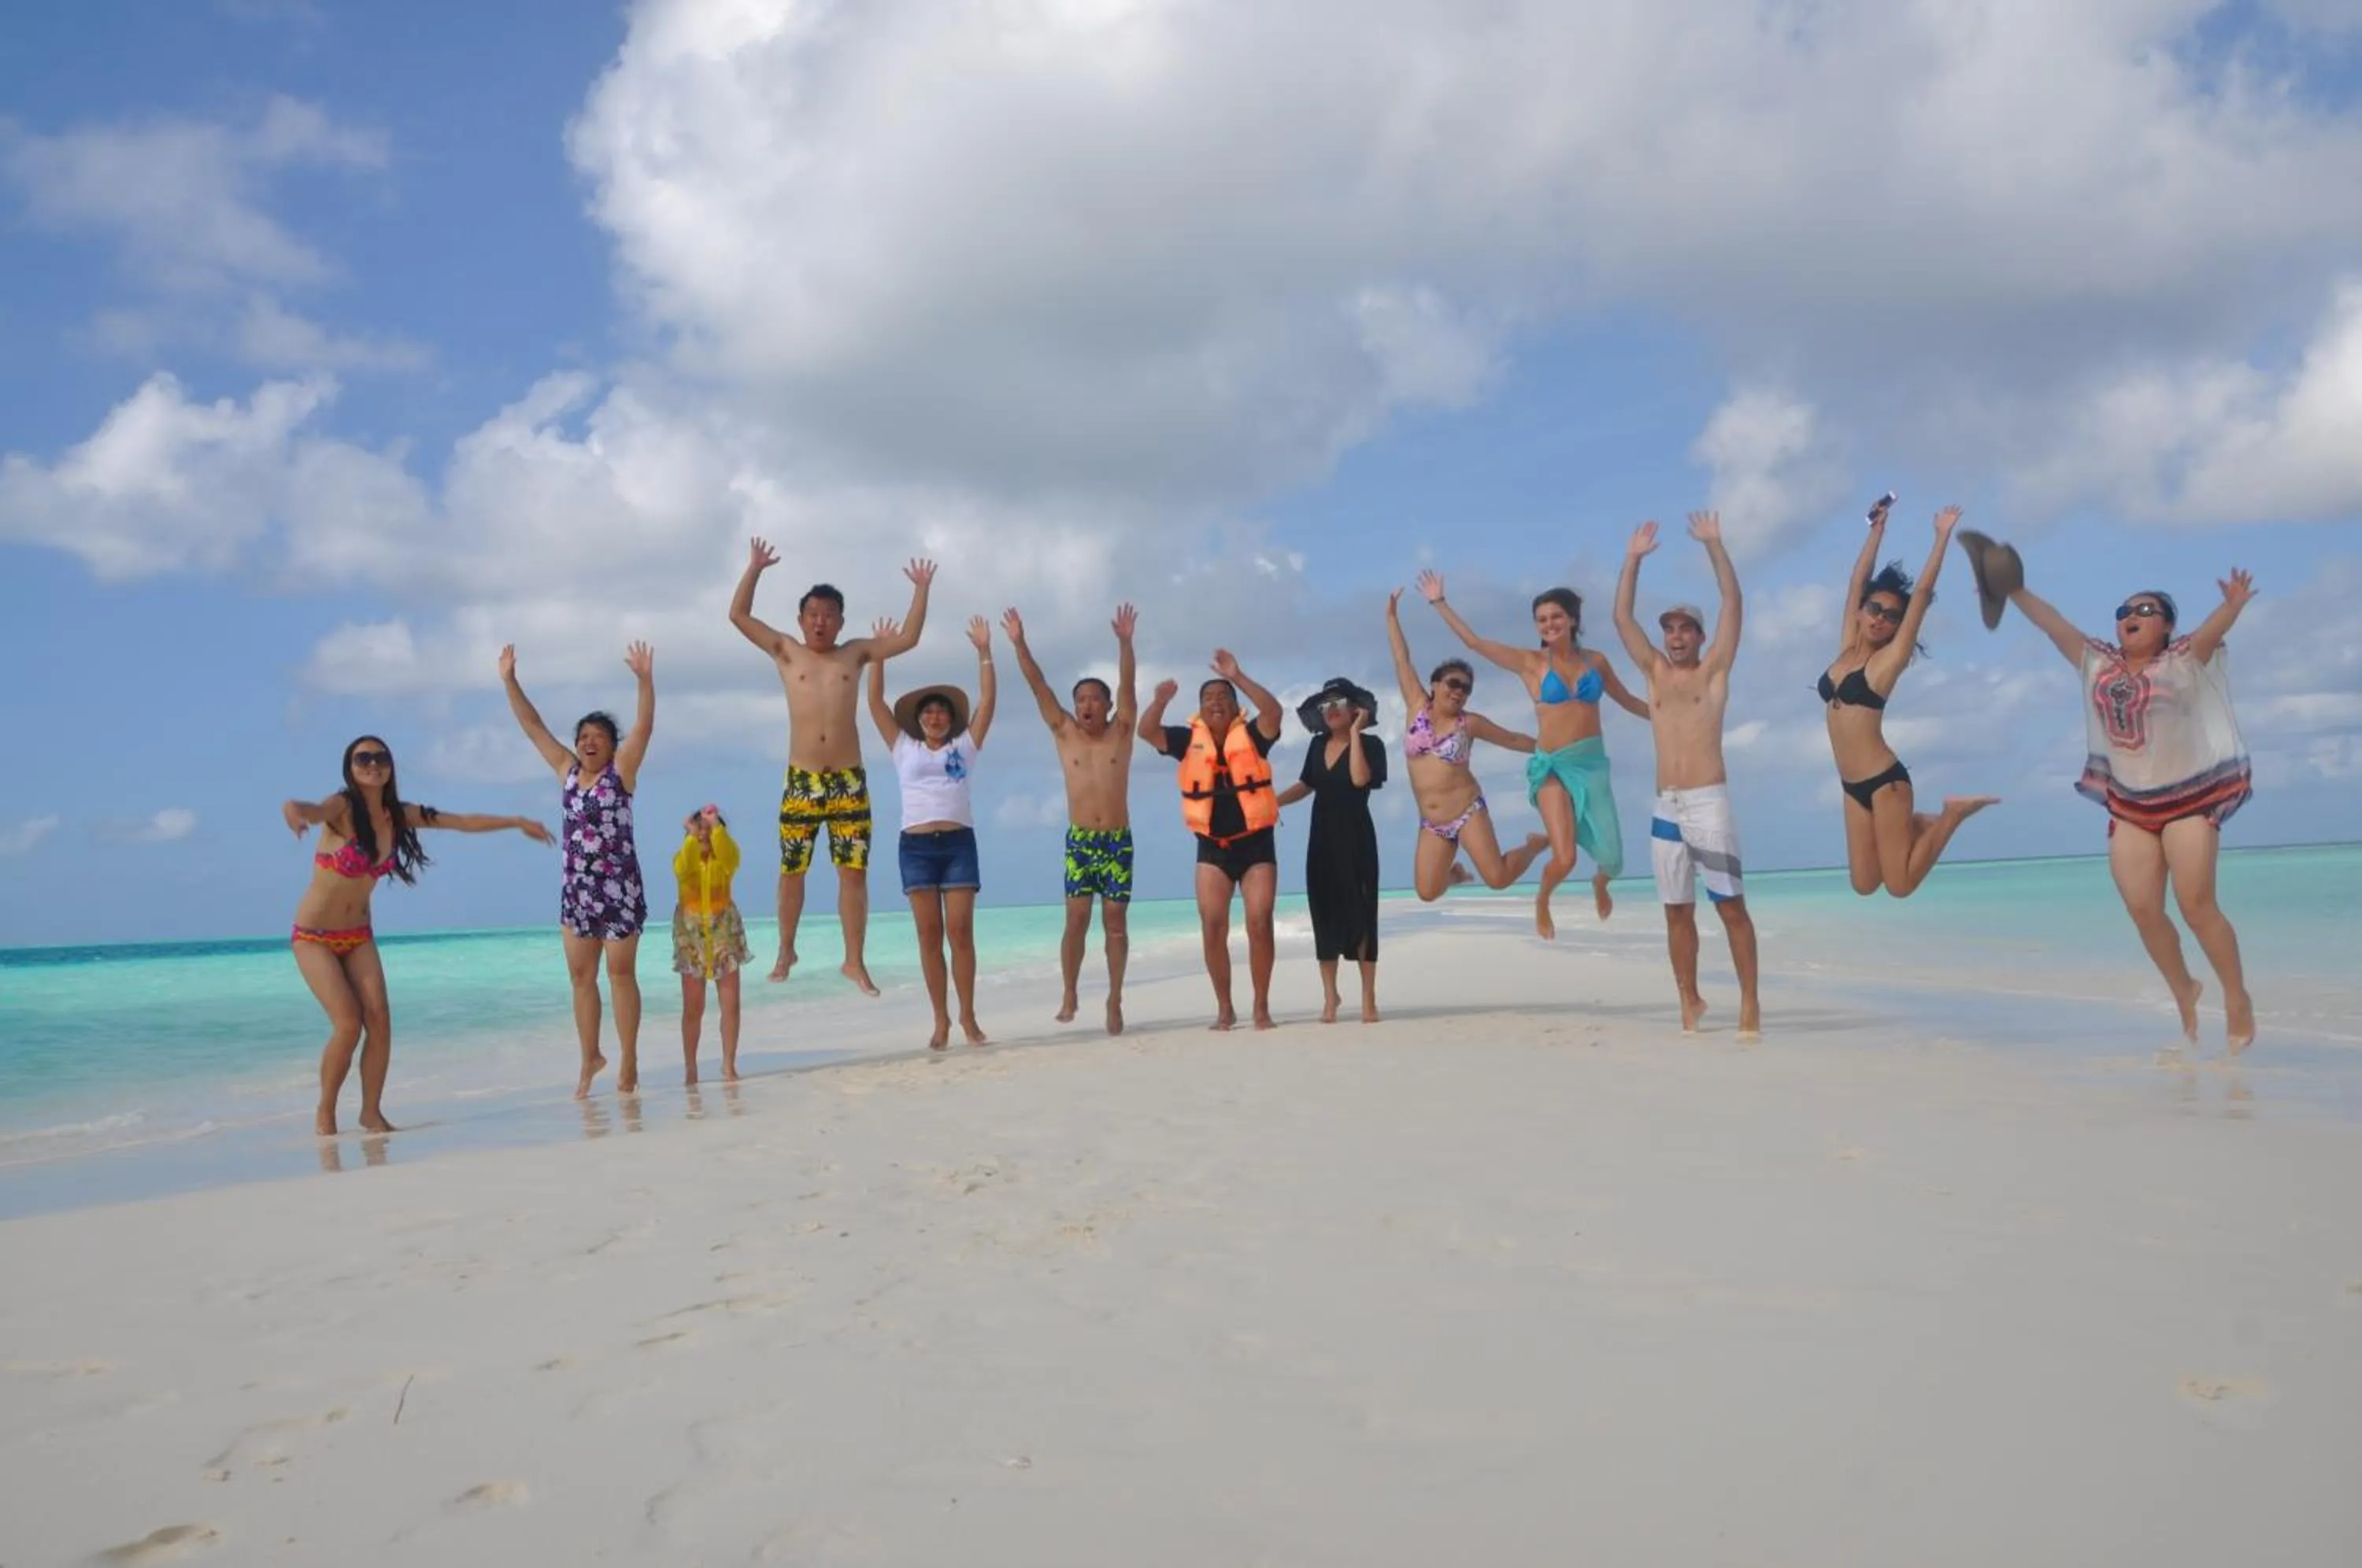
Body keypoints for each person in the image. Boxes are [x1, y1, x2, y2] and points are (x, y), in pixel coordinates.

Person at [1962, 531, 2258, 1052]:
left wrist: (2230, 606)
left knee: (2196, 905)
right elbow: (2052, 622)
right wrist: (2012, 590)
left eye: (2147, 608)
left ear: (2166, 625)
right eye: (2125, 609)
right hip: (2132, 805)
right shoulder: (2097, 660)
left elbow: (2211, 633)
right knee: (2144, 909)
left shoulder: (2186, 658)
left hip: (2189, 801)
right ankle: (2185, 989)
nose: (2132, 614)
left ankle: (2237, 997)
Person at [283, 737, 553, 1135]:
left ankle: (371, 1112)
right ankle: (326, 1111)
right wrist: (295, 815)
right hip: (314, 936)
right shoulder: (341, 808)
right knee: (348, 1024)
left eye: (381, 758)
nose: (373, 764)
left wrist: (515, 822)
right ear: (350, 767)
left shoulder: (399, 816)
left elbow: (460, 822)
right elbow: (308, 808)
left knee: (380, 1020)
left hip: (357, 935)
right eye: (364, 758)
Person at [728, 538, 935, 993]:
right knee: (792, 870)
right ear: (801, 620)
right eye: (813, 615)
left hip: (847, 780)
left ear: (841, 621)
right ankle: (786, 948)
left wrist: (920, 590)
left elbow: (909, 639)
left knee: (853, 872)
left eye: (829, 615)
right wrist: (755, 569)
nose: (820, 622)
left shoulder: (855, 653)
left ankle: (854, 961)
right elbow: (739, 616)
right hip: (802, 780)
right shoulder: (785, 650)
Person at [1418, 568, 1648, 937]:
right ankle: (1542, 900)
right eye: (1541, 619)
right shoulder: (1531, 663)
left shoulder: (1597, 662)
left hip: (1591, 765)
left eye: (1556, 616)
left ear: (1573, 619)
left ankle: (1601, 883)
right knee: (1567, 856)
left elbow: (1629, 701)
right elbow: (1475, 643)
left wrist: (1666, 716)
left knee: (1613, 860)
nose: (1549, 624)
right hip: (1552, 766)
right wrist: (1439, 602)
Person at [1611, 512, 1762, 1041]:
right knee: (1677, 912)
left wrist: (1715, 546)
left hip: (1707, 802)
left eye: (1685, 629)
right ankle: (1688, 1001)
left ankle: (1750, 1006)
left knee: (1731, 909)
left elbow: (1733, 605)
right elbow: (1621, 618)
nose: (1675, 636)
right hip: (1665, 809)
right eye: (1670, 629)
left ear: (1699, 636)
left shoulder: (1713, 671)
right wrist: (1632, 558)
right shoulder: (1653, 673)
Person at [501, 642, 656, 1097]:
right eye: (583, 736)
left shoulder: (621, 773)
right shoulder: (566, 772)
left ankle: (629, 1059)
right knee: (581, 979)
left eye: (599, 737)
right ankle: (590, 1056)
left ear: (612, 746)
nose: (589, 742)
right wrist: (510, 680)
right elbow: (533, 727)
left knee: (621, 975)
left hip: (619, 890)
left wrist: (645, 681)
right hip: (578, 893)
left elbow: (644, 727)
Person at [1821, 497, 1997, 897]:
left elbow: (1921, 594)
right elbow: (1856, 581)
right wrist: (1877, 531)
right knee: (1865, 884)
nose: (1881, 617)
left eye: (1890, 616)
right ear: (1862, 611)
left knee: (1899, 886)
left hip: (1886, 782)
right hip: (1851, 786)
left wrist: (1941, 537)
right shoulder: (1846, 647)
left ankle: (1951, 815)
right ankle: (1913, 824)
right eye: (1875, 608)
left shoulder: (1889, 662)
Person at [1003, 603, 1140, 1034]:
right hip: (1081, 843)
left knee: (1115, 926)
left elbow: (1129, 683)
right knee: (1076, 922)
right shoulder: (1064, 732)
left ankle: (1115, 1000)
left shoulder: (1123, 730)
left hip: (1117, 842)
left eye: (1095, 699)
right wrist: (1019, 643)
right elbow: (1038, 684)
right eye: (1081, 699)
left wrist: (1124, 642)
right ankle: (1070, 991)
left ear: (1107, 706)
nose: (1087, 705)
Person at [865, 615, 998, 1050]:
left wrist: (984, 653)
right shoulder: (905, 748)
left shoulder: (966, 748)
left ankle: (969, 1017)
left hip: (959, 844)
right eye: (929, 711)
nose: (936, 716)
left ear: (951, 719)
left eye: (942, 711)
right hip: (916, 846)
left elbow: (989, 702)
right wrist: (880, 655)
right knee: (929, 936)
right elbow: (875, 705)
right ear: (919, 720)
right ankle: (940, 1020)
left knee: (961, 933)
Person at [1138, 651, 1287, 1030]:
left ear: (1236, 706)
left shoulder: (1253, 736)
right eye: (1208, 698)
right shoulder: (1188, 740)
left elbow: (1273, 712)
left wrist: (1238, 675)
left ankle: (1262, 1006)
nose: (1216, 702)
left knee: (1259, 921)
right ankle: (1225, 1007)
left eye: (1224, 696)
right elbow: (1147, 732)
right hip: (1212, 848)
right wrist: (1159, 702)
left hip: (1256, 845)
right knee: (1213, 924)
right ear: (1200, 711)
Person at [1383, 587, 1549, 900]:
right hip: (1432, 822)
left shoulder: (1469, 724)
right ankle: (1455, 873)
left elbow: (1512, 739)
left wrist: (1551, 747)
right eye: (1453, 684)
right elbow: (1401, 658)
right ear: (1435, 685)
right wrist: (1391, 617)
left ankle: (1533, 846)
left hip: (1467, 811)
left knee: (1497, 878)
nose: (1459, 691)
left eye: (1466, 688)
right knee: (1427, 892)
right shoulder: (1417, 705)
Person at [1274, 676, 1388, 1023]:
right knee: (1323, 914)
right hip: (1321, 838)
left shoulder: (1372, 744)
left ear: (1356, 709)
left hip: (1357, 838)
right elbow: (1307, 785)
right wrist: (1272, 803)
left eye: (1338, 703)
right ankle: (1330, 997)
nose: (1331, 711)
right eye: (1325, 706)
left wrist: (1354, 734)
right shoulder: (1315, 746)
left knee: (1363, 913)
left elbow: (1358, 779)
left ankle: (1368, 998)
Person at [671, 804, 751, 1085]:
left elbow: (731, 853)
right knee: (693, 1008)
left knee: (731, 1005)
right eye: (698, 832)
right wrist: (694, 836)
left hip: (723, 936)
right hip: (691, 938)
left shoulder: (726, 862)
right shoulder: (684, 858)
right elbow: (684, 867)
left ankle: (728, 1065)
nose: (704, 836)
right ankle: (690, 1068)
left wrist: (715, 826)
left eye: (710, 832)